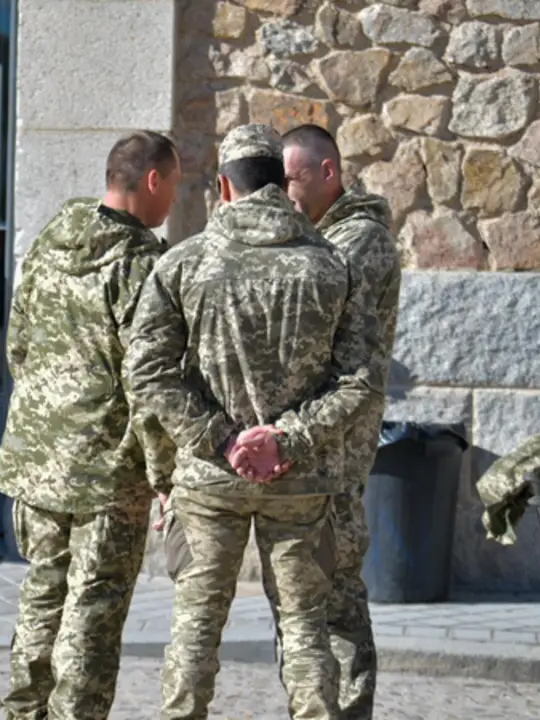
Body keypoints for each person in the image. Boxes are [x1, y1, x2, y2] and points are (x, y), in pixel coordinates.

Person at [125, 124, 383, 718]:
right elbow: (361, 380)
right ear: (280, 182)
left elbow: (147, 372)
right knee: (305, 629)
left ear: (223, 186)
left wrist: (218, 439)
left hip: (208, 482)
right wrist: (286, 440)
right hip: (300, 483)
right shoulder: (330, 265)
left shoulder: (186, 263)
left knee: (194, 626)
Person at [0, 131, 182, 720]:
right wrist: (164, 474)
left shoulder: (54, 235)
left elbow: (17, 344)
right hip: (106, 472)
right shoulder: (144, 265)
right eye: (174, 185)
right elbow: (149, 383)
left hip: (36, 458)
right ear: (152, 181)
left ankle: (23, 711)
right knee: (93, 612)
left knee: (42, 593)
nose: (173, 199)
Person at [283, 123, 402, 719]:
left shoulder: (360, 241)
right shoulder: (321, 232)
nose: (284, 193)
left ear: (328, 173)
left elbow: (309, 314)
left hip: (338, 449)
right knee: (308, 598)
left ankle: (350, 710)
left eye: (292, 179)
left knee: (339, 595)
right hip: (314, 445)